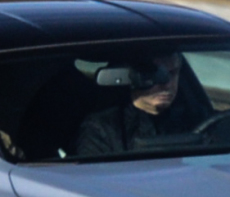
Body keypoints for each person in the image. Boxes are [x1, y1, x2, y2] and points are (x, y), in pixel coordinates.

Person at [75, 54, 206, 156]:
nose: (167, 84)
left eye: (173, 73)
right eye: (157, 74)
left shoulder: (195, 118)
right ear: (132, 75)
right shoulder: (102, 128)